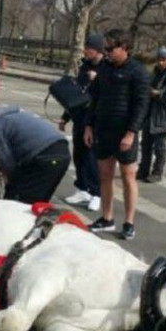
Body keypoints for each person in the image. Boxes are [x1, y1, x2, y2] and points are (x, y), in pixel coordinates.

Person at [84, 29, 150, 239]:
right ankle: (107, 217)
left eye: (111, 49)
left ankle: (129, 222)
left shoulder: (138, 71)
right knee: (104, 175)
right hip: (104, 130)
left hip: (125, 132)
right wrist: (88, 125)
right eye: (106, 49)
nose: (108, 52)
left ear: (125, 48)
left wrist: (131, 133)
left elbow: (142, 105)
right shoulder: (104, 69)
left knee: (128, 176)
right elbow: (93, 99)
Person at [0, 105, 70, 204]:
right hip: (62, 152)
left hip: (43, 157)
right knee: (39, 203)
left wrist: (10, 180)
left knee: (16, 201)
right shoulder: (14, 115)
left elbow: (7, 161)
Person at [59, 33, 103, 211]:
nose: (85, 51)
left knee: (92, 156)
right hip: (80, 116)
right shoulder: (85, 67)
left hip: (95, 119)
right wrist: (65, 116)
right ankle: (82, 188)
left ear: (97, 50)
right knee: (79, 155)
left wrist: (97, 79)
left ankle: (96, 193)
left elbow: (110, 93)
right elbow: (77, 94)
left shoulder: (106, 68)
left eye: (88, 48)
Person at [137, 47, 166, 183]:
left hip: (163, 116)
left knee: (159, 146)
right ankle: (143, 169)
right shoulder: (155, 72)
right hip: (150, 112)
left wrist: (158, 93)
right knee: (145, 144)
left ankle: (157, 172)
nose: (160, 63)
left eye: (163, 60)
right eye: (159, 60)